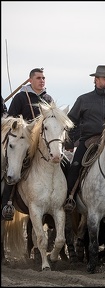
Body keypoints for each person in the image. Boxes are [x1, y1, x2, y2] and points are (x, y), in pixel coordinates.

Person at [63, 65, 105, 213]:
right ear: (96, 80)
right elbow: (70, 122)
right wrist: (70, 142)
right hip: (88, 141)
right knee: (75, 166)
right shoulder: (83, 99)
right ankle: (69, 198)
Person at [2, 68, 55, 221]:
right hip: (24, 143)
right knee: (13, 168)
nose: (42, 80)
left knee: (61, 164)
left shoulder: (48, 98)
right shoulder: (20, 98)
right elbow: (10, 120)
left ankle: (62, 200)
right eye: (38, 78)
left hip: (44, 143)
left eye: (43, 77)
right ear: (30, 80)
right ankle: (7, 204)